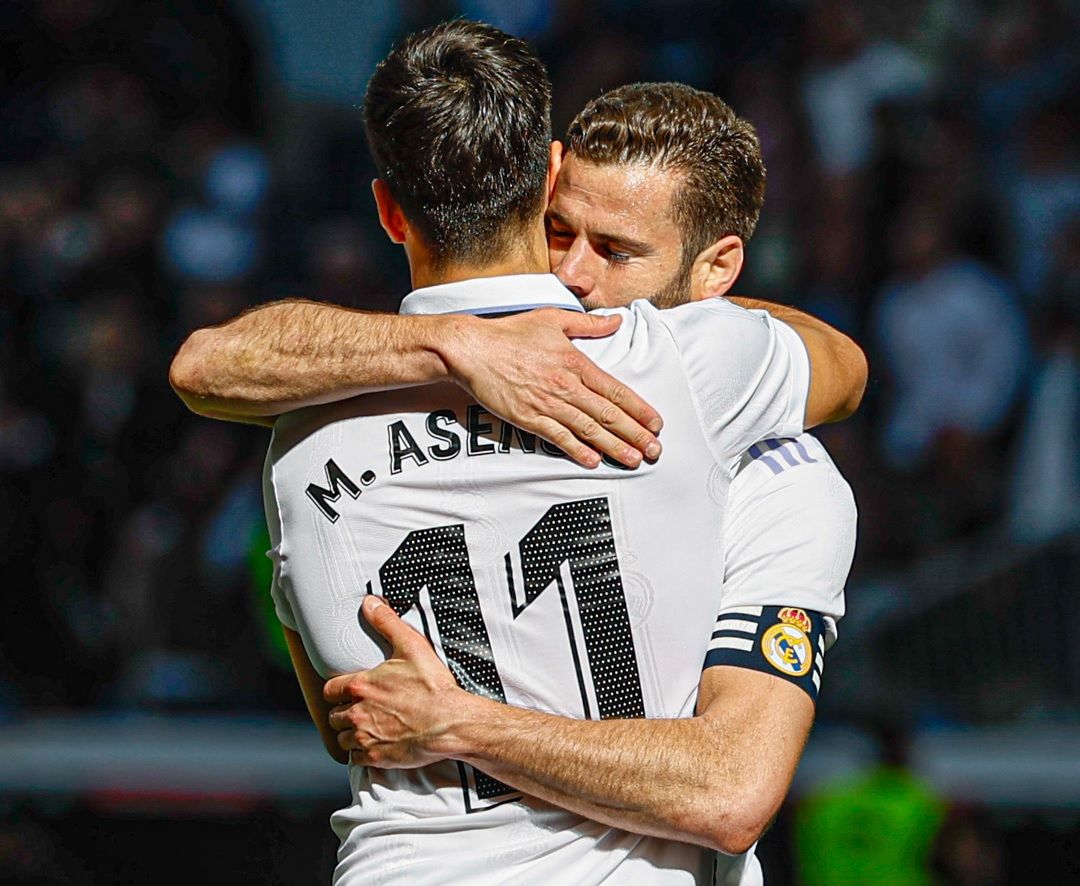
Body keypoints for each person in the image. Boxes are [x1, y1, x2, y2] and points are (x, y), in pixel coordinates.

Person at [171, 21, 864, 885]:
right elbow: (846, 367)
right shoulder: (686, 368)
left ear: (388, 210)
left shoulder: (298, 443)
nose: (578, 275)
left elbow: (345, 721)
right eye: (569, 234)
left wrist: (457, 723)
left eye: (613, 251)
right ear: (546, 178)